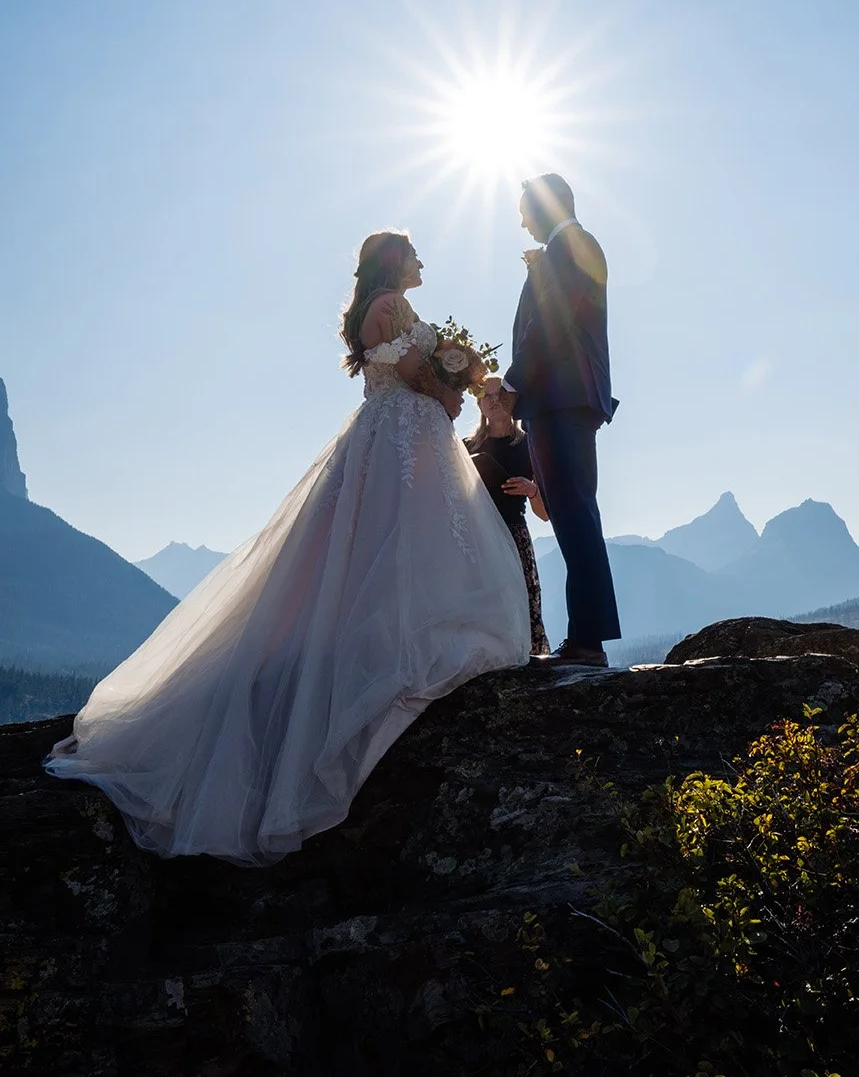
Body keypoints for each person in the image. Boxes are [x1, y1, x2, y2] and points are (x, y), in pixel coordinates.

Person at [44, 231, 530, 864]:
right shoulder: (389, 306)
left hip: (402, 439)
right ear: (393, 262)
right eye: (414, 253)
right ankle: (392, 648)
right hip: (399, 439)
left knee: (391, 541)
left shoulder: (381, 308)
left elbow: (414, 371)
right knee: (394, 539)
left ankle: (394, 636)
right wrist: (452, 377)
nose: (422, 263)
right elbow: (413, 376)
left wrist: (452, 373)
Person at [506, 174, 619, 667]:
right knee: (576, 515)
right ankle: (586, 638)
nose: (522, 220)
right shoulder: (567, 247)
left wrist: (511, 384)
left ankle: (587, 644)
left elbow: (551, 324)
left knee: (574, 516)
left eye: (526, 210)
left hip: (562, 398)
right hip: (567, 399)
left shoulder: (572, 244)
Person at [464, 376, 551, 657]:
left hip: (513, 534)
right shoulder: (465, 449)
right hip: (475, 539)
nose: (495, 400)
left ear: (514, 400)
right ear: (478, 404)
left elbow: (545, 516)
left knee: (521, 606)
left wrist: (532, 489)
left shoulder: (531, 446)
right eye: (487, 396)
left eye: (501, 393)